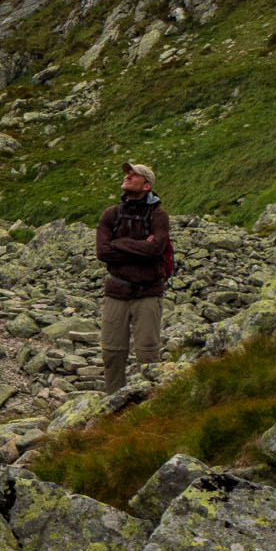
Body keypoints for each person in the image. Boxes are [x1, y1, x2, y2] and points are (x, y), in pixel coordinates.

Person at [96, 161, 170, 394]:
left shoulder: (158, 215)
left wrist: (120, 244)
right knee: (111, 353)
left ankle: (152, 400)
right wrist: (140, 247)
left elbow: (157, 249)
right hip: (116, 292)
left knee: (148, 353)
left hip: (148, 293)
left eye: (134, 175)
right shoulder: (111, 214)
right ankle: (113, 403)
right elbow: (103, 252)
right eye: (127, 173)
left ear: (147, 186)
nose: (128, 176)